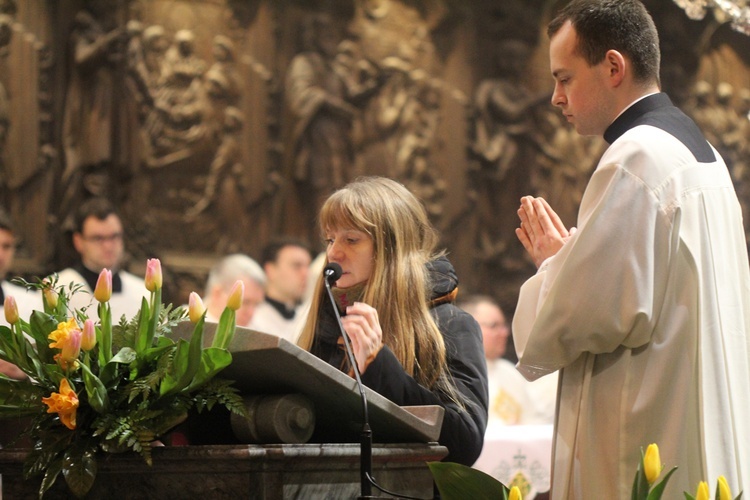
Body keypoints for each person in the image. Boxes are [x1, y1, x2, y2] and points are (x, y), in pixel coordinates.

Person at [512, 1, 750, 497]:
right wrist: (575, 258)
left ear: (614, 67)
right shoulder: (701, 154)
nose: (555, 97)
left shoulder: (636, 157)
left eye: (564, 78)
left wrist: (554, 265)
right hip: (695, 412)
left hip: (645, 428)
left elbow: (585, 316)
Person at [297, 176, 488, 466]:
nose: (333, 252)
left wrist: (379, 366)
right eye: (330, 239)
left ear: (391, 248)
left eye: (351, 239)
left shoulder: (450, 325)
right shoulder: (328, 323)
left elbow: (464, 443)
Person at [458, 295, 556, 427]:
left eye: (503, 325)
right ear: (468, 328)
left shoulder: (509, 371)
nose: (504, 333)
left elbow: (533, 420)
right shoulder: (459, 373)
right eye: (494, 326)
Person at [56, 198, 147, 322]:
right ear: (78, 241)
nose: (108, 246)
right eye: (98, 238)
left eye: (114, 236)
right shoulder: (57, 289)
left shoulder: (142, 293)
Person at [0, 208, 42, 379]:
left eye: (6, 246)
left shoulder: (30, 302)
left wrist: (26, 370)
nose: (1, 255)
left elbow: (47, 364)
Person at [248, 237, 312, 342]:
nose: (305, 274)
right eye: (296, 266)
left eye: (307, 267)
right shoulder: (251, 318)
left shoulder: (307, 318)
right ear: (270, 270)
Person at [203, 253, 265, 328]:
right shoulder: (187, 326)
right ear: (217, 293)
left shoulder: (257, 331)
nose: (251, 313)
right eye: (245, 302)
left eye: (256, 304)